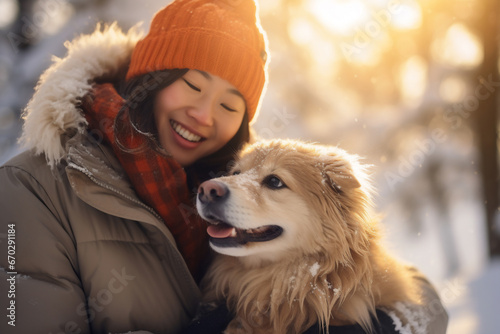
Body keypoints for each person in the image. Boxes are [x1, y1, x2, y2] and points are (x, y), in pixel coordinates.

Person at [0, 0, 447, 333]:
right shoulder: (30, 189)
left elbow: (423, 300)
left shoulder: (221, 175)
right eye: (192, 84)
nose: (204, 115)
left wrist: (387, 324)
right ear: (149, 80)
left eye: (231, 105)